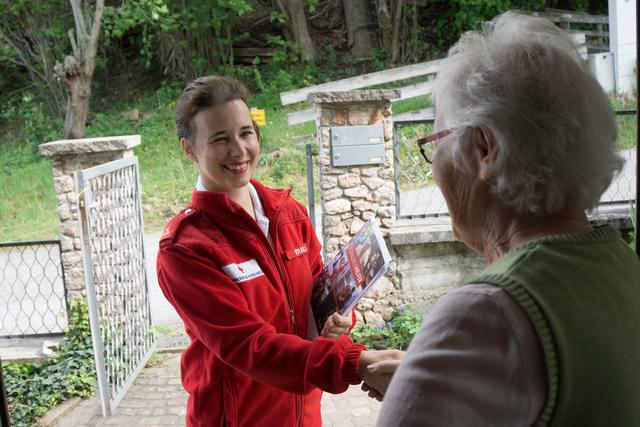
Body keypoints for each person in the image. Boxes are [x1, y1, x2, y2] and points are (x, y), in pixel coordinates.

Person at [367, 11, 640, 426]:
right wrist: (439, 377)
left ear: (484, 148)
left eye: (434, 140)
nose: (433, 165)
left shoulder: (483, 315)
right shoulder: (624, 268)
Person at [155, 75, 397, 426]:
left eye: (245, 133)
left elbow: (317, 296)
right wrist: (355, 364)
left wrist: (335, 323)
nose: (238, 151)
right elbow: (249, 346)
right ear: (189, 149)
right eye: (220, 139)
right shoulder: (185, 249)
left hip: (304, 415)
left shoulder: (288, 214)